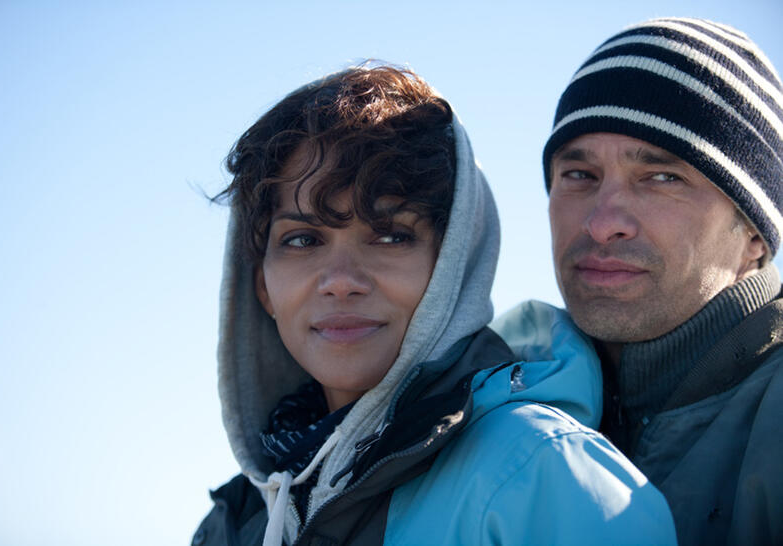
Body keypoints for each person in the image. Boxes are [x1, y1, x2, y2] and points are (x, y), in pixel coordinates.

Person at [191, 65, 675, 545]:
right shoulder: (236, 521)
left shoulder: (541, 474)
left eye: (390, 236)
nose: (341, 281)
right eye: (302, 240)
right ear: (261, 287)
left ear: (453, 266)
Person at [494, 17, 783, 546]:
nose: (603, 222)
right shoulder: (493, 394)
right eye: (579, 175)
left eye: (662, 178)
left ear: (755, 234)